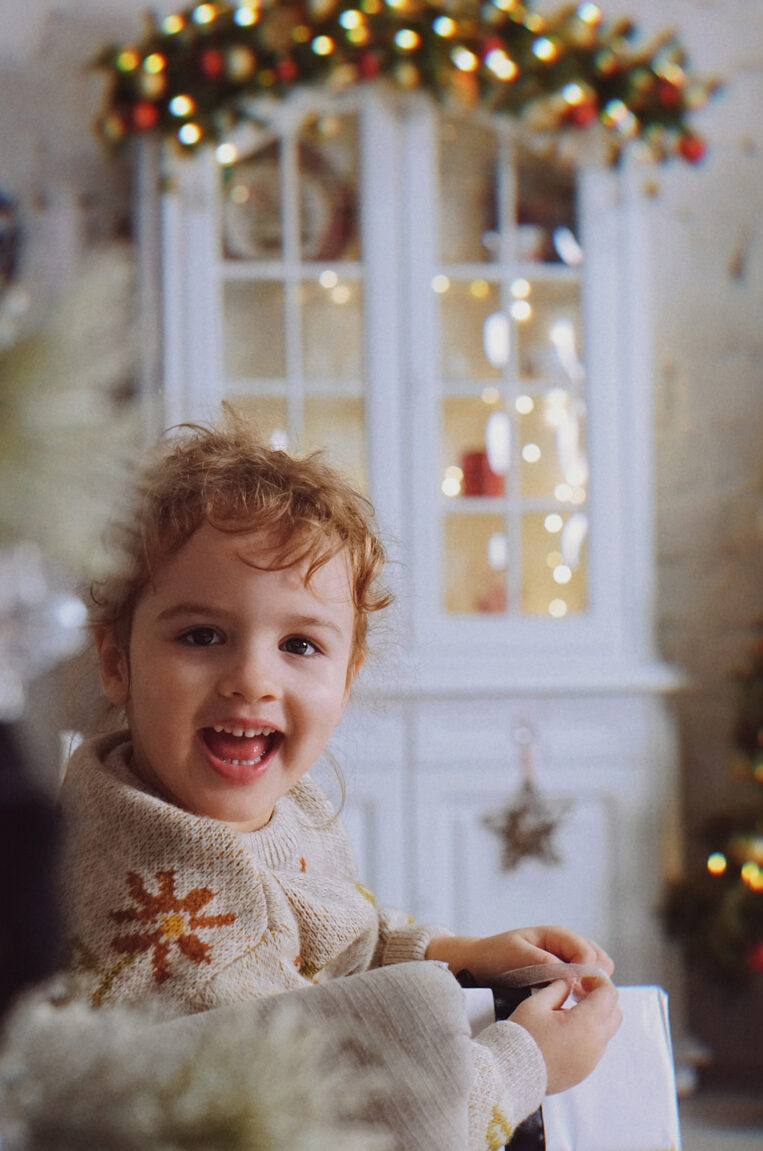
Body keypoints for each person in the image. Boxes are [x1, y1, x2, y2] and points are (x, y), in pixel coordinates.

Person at [59, 413, 621, 1150]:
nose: (253, 679)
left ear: (347, 674)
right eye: (201, 635)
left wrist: (454, 948)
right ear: (116, 660)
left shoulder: (276, 799)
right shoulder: (171, 910)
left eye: (299, 643)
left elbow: (332, 926)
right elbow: (329, 1119)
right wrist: (525, 1063)